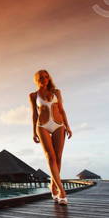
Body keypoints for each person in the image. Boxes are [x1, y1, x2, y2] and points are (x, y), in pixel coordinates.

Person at [29, 70, 73, 205]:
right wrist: (33, 132)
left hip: (59, 125)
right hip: (42, 126)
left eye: (46, 77)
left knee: (58, 158)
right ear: (37, 79)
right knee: (50, 157)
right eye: (41, 77)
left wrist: (68, 126)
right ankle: (62, 191)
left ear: (49, 78)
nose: (44, 79)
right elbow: (34, 115)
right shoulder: (33, 95)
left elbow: (61, 110)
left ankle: (52, 185)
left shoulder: (56, 92)